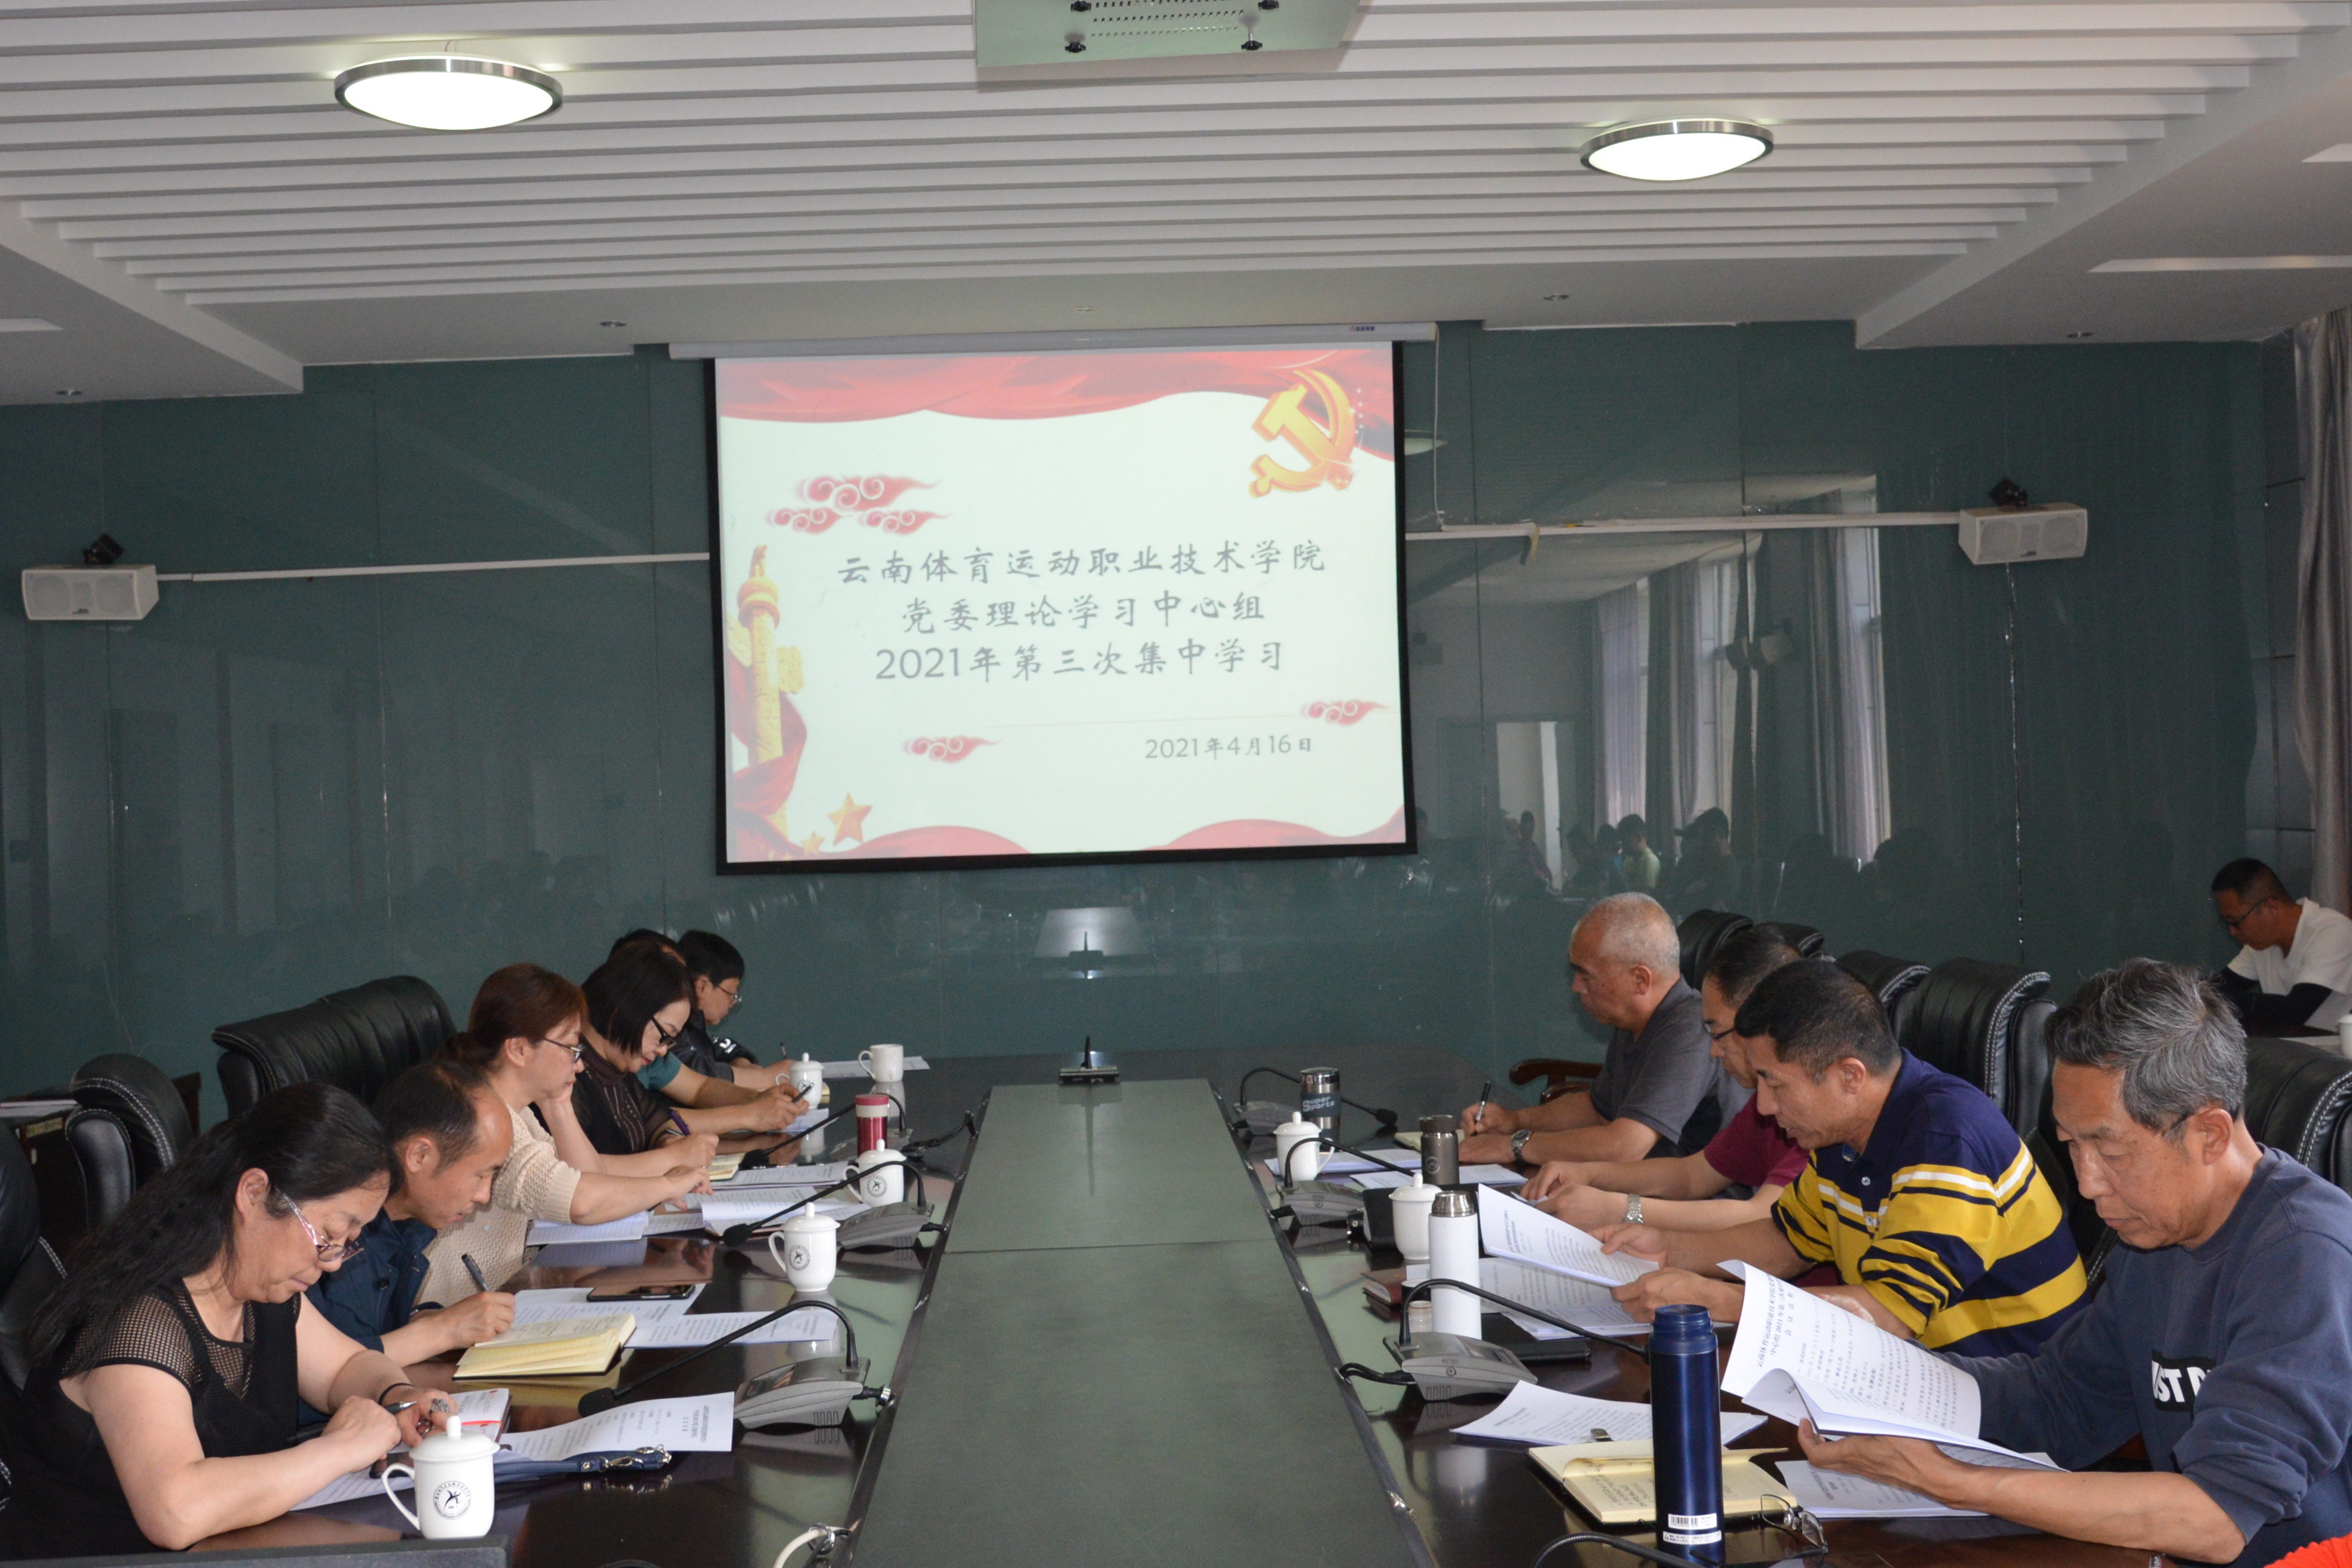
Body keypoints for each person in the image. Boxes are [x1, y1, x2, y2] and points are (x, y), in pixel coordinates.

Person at [1799, 960, 2352, 1567]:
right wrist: (1882, 1376)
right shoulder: (2152, 1236)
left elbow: (2216, 1516)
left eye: (2111, 1150)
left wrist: (1949, 1480)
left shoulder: (2304, 1254)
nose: (2087, 1184)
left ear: (2211, 1134)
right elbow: (2060, 1400)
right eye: (2070, 1144)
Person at [0, 1084, 455, 1556]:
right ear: (254, 1193)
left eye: (348, 1242)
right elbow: (176, 1511)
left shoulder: (263, 1293)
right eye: (329, 1234)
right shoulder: (138, 1322)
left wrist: (399, 1396)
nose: (334, 1261)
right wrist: (339, 1448)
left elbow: (345, 1367)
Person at [1595, 958, 2086, 1355]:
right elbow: (1787, 1241)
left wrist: (1719, 1300)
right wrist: (1665, 1249)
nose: (1764, 1107)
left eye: (1775, 1084)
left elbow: (1886, 1314)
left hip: (2007, 1397)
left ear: (1849, 1076)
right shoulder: (1841, 1136)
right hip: (1920, 1372)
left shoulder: (1946, 1140)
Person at [420, 963, 718, 1305]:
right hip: (455, 1310)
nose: (578, 1064)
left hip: (509, 1295)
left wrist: (557, 1104)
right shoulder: (484, 1117)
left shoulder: (517, 1111)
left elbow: (587, 1177)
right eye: (570, 1049)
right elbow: (581, 1202)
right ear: (519, 1050)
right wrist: (669, 1184)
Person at [1521, 928, 1806, 1235]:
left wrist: (1622, 1209)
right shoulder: (1762, 1105)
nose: (1713, 1050)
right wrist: (1587, 1173)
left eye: (1717, 1033)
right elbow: (1691, 1175)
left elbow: (1761, 1215)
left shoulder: (1817, 1115)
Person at [1458, 893, 1741, 1166]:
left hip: (1692, 1197)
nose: (1576, 986)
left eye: (1586, 975)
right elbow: (1596, 1109)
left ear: (1640, 980)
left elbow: (1624, 1147)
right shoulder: (1633, 1020)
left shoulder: (1692, 1030)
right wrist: (1515, 1122)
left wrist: (1514, 1146)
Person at [304, 1059, 516, 1367]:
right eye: (481, 1175)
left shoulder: (408, 1226)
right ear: (419, 1155)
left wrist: (421, 1320)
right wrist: (441, 1331)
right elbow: (321, 1374)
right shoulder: (329, 1236)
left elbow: (380, 1331)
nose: (484, 1196)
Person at [571, 944, 803, 1157]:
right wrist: (669, 1160)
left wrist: (756, 1106)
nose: (662, 1051)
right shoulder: (571, 1075)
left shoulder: (619, 1071)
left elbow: (661, 1123)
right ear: (628, 1010)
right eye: (664, 1035)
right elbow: (583, 1173)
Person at [2209, 858, 2352, 1033]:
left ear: (2270, 907)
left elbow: (2296, 1010)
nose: (2232, 932)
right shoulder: (2261, 943)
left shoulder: (2332, 931)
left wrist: (2226, 1003)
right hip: (2294, 1045)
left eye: (2236, 922)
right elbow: (2217, 990)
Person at [672, 929, 791, 1090]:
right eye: (731, 994)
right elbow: (689, 1072)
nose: (732, 1003)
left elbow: (720, 1048)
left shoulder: (695, 1029)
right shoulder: (673, 1028)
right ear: (702, 986)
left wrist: (742, 1063)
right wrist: (766, 1077)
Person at [1662, 806, 1740, 912]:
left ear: (1720, 836)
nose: (1701, 843)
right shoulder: (1707, 866)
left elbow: (1716, 910)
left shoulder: (1729, 870)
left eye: (1705, 837)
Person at [1615, 814, 1661, 891]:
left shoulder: (1650, 861)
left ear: (1638, 838)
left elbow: (1646, 894)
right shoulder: (1628, 861)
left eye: (1626, 842)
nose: (1623, 847)